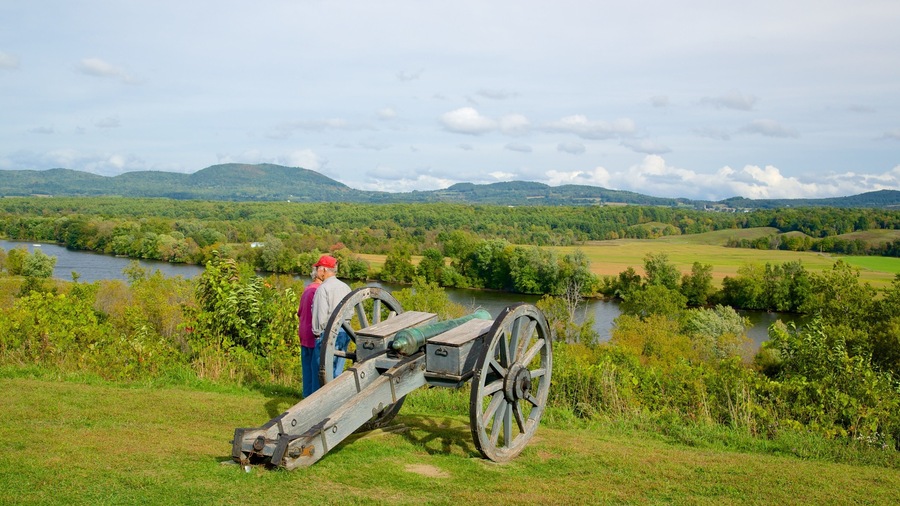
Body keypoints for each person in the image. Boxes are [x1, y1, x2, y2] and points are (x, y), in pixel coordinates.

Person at [311, 254, 352, 380]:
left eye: (318, 268)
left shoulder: (323, 289)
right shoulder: (345, 287)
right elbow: (351, 312)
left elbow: (320, 317)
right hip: (345, 333)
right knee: (337, 372)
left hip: (328, 334)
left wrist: (317, 335)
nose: (316, 271)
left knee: (320, 372)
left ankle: (318, 398)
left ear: (323, 270)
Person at [297, 265, 322, 397]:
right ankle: (313, 400)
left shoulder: (307, 289)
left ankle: (306, 397)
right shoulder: (318, 291)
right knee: (315, 369)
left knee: (306, 369)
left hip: (303, 331)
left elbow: (299, 312)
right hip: (313, 333)